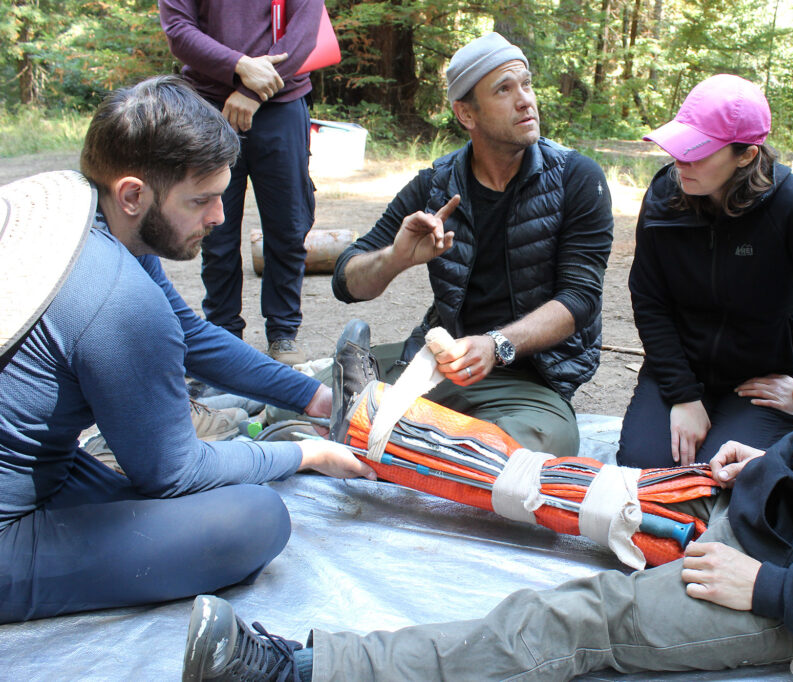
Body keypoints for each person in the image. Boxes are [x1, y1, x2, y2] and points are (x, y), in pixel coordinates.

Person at [180, 135, 793, 681]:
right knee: (565, 485)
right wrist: (776, 461)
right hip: (769, 511)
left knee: (572, 618)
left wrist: (767, 587)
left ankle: (304, 669)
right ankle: (354, 418)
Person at [0, 76, 375, 624]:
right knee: (254, 517)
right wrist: (308, 454)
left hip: (45, 472)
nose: (220, 217)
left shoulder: (86, 211)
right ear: (134, 193)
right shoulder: (117, 298)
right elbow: (173, 473)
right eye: (201, 200)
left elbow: (190, 336)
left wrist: (314, 397)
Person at [330, 33, 614, 458]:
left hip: (530, 378)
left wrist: (497, 345)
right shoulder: (434, 186)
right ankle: (396, 425)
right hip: (442, 363)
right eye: (504, 89)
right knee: (309, 394)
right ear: (466, 113)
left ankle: (382, 423)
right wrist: (394, 259)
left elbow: (580, 299)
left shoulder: (577, 178)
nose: (525, 100)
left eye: (526, 84)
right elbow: (346, 281)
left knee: (540, 448)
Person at [617, 74, 793, 469]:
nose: (680, 162)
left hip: (760, 380)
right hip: (678, 369)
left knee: (720, 474)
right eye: (678, 147)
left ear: (747, 155)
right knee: (643, 469)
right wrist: (683, 395)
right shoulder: (665, 196)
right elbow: (649, 298)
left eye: (697, 152)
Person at [159, 0, 324, 365]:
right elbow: (179, 31)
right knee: (212, 229)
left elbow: (305, 31)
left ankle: (283, 333)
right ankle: (222, 335)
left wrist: (252, 92)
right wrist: (240, 67)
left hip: (282, 103)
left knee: (288, 226)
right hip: (207, 105)